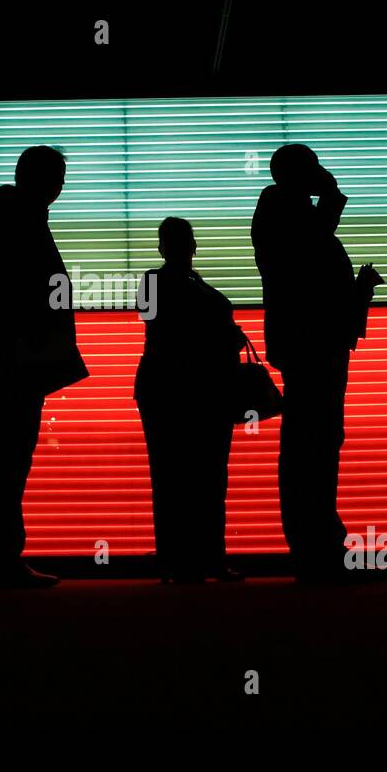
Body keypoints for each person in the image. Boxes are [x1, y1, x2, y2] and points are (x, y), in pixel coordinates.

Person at [252, 144, 382, 582]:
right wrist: (330, 194)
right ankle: (320, 550)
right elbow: (309, 257)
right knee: (315, 442)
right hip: (312, 342)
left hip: (310, 341)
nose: (323, 174)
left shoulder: (283, 210)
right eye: (314, 168)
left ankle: (320, 548)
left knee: (315, 440)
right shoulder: (284, 210)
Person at [0, 146, 88, 589]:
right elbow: (28, 286)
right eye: (56, 177)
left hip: (15, 355)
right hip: (20, 355)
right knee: (10, 452)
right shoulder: (19, 211)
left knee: (9, 451)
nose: (60, 187)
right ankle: (0, 557)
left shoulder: (9, 208)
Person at [134, 217, 246, 582]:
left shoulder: (157, 283)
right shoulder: (194, 289)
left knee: (169, 476)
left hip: (165, 389)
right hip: (202, 390)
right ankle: (207, 557)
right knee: (209, 477)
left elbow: (153, 319)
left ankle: (176, 560)